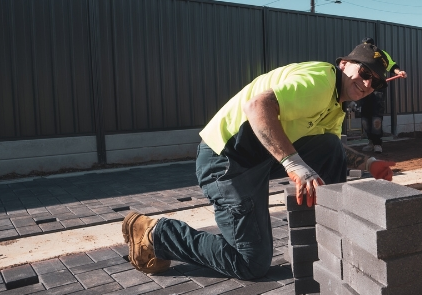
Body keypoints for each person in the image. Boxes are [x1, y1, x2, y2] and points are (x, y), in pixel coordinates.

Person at [120, 43, 399, 279]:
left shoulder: (336, 105)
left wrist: (368, 163)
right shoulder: (319, 81)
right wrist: (294, 163)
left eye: (374, 81)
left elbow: (332, 149)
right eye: (363, 72)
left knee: (329, 147)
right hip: (226, 162)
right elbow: (257, 106)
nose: (366, 83)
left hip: (258, 158)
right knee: (251, 263)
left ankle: (327, 231)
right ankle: (158, 234)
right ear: (344, 65)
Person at [357, 38, 407, 154]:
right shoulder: (359, 56)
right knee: (365, 118)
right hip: (363, 88)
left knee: (376, 118)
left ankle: (377, 144)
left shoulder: (381, 54)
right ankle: (370, 141)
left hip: (378, 88)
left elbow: (392, 65)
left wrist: (398, 72)